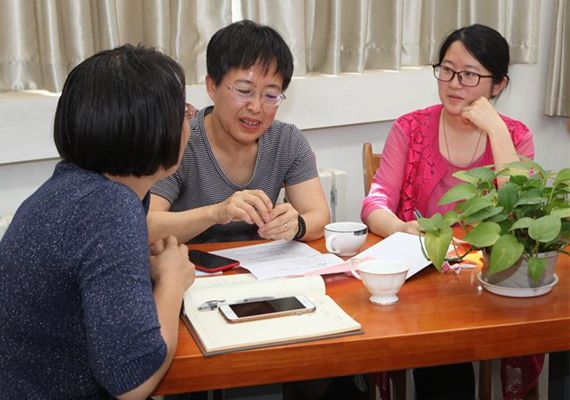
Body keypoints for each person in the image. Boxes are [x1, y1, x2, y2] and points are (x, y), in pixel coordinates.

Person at [0, 44, 195, 400]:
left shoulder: (73, 189)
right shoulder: (110, 207)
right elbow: (134, 382)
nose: (189, 123)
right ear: (153, 129)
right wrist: (172, 279)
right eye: (183, 112)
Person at [361, 24, 537, 400]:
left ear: (498, 85)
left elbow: (522, 213)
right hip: (428, 285)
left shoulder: (516, 136)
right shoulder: (409, 128)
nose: (454, 84)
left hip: (490, 280)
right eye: (447, 70)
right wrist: (398, 228)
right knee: (442, 355)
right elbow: (374, 203)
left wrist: (497, 132)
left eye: (470, 74)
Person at [148, 20, 330, 245]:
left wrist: (296, 225)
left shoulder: (286, 140)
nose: (256, 107)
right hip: (187, 265)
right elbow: (146, 226)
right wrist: (215, 213)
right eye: (244, 91)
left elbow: (319, 216)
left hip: (261, 264)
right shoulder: (182, 141)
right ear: (212, 86)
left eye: (270, 95)